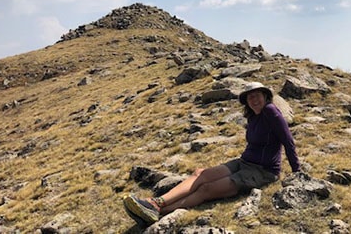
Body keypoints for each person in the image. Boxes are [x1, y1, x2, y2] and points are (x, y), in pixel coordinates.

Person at [123, 81, 301, 226]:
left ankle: (158, 212)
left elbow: (288, 140)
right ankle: (156, 202)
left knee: (206, 189)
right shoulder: (252, 117)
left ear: (266, 96)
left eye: (257, 95)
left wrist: (297, 172)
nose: (254, 99)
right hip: (243, 162)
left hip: (263, 171)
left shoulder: (271, 112)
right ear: (246, 101)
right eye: (250, 96)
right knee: (201, 174)